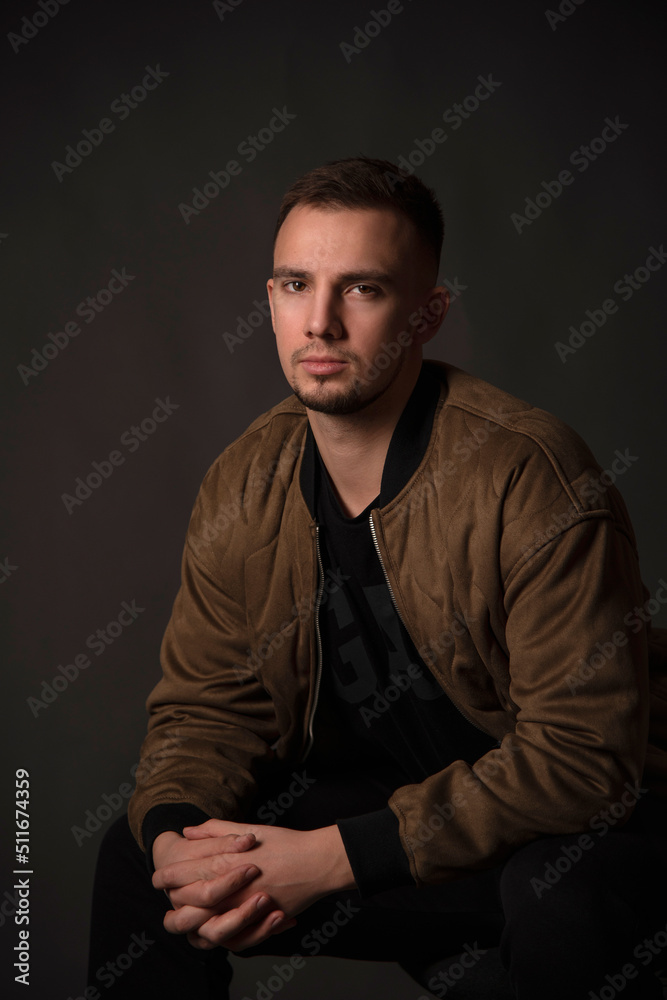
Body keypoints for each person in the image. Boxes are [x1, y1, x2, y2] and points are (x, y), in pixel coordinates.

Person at [88, 157, 667, 999]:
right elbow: (207, 708)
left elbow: (583, 761)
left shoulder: (527, 473)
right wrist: (181, 836)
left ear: (426, 314)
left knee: (554, 896)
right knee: (142, 859)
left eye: (360, 289)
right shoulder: (243, 480)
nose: (318, 322)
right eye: (294, 284)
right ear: (271, 298)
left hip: (582, 826)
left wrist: (331, 857)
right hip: (401, 821)